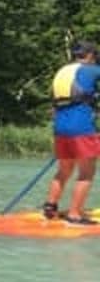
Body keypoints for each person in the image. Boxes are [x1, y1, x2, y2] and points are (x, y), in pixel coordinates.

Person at [43, 40, 100, 224]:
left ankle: (50, 207)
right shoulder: (91, 70)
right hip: (81, 127)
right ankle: (74, 214)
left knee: (64, 170)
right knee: (87, 172)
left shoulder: (62, 71)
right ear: (90, 55)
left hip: (60, 127)